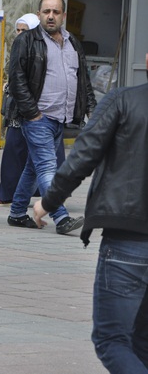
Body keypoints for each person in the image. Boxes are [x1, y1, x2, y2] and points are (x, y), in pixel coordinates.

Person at [32, 61, 148, 373]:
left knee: (111, 339)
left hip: (128, 240)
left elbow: (84, 154)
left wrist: (49, 201)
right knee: (141, 342)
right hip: (129, 236)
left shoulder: (123, 100)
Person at [6, 0, 96, 234]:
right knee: (47, 167)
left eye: (56, 12)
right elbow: (16, 79)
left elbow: (83, 80)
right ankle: (61, 217)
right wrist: (32, 113)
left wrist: (92, 110)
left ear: (64, 16)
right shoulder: (26, 41)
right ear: (38, 15)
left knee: (33, 168)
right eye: (46, 11)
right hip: (38, 117)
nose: (51, 16)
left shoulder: (72, 42)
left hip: (61, 118)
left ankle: (16, 213)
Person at [0, 13, 66, 206]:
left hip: (44, 112)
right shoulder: (19, 48)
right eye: (17, 30)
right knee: (15, 152)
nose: (19, 34)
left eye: (24, 30)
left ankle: (45, 197)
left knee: (44, 156)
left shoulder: (46, 49)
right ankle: (11, 195)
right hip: (21, 112)